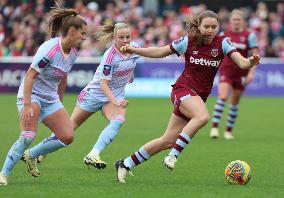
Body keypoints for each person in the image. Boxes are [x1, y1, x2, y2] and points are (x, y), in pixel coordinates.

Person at [114, 10, 260, 183]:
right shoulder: (188, 41)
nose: (210, 30)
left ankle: (125, 163)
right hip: (183, 89)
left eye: (214, 26)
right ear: (198, 26)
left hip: (197, 97)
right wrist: (134, 49)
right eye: (206, 26)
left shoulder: (223, 43)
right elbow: (160, 52)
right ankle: (173, 156)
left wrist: (251, 62)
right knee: (203, 116)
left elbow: (242, 62)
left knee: (166, 140)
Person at [26, 23, 140, 174]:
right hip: (94, 95)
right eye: (121, 37)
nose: (125, 40)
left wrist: (129, 75)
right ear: (114, 38)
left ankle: (93, 154)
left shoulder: (135, 49)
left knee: (118, 120)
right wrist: (116, 101)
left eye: (128, 37)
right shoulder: (110, 56)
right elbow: (104, 84)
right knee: (68, 131)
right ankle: (33, 153)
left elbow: (130, 65)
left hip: (113, 98)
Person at [0, 7, 87, 185]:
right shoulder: (50, 50)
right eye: (82, 33)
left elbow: (63, 76)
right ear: (71, 32)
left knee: (67, 136)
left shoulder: (73, 54)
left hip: (50, 99)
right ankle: (3, 174)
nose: (85, 37)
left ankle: (31, 155)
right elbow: (30, 76)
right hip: (32, 95)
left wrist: (59, 101)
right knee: (28, 136)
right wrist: (26, 104)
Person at [210, 9, 258, 139]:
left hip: (242, 72)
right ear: (230, 21)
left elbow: (255, 56)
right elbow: (215, 51)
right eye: (234, 19)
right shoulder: (224, 34)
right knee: (223, 96)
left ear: (243, 21)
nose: (236, 21)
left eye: (238, 19)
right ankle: (214, 128)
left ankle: (228, 131)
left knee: (235, 102)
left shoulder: (249, 36)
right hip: (226, 70)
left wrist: (251, 73)